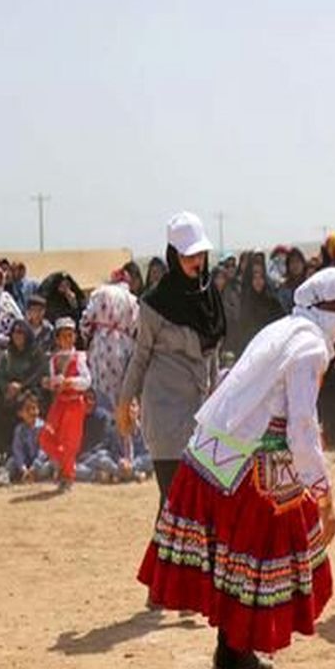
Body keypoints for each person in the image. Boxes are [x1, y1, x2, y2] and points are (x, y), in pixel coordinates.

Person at [138, 267, 335, 669]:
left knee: (240, 565)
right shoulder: (310, 346)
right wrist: (324, 492)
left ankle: (239, 655)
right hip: (247, 466)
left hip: (220, 455)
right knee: (252, 567)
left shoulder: (284, 328)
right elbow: (300, 427)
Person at [118, 212, 226, 511]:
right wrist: (124, 403)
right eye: (188, 255)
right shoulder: (155, 303)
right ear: (173, 255)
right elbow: (139, 358)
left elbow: (213, 353)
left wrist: (216, 404)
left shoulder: (210, 298)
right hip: (165, 415)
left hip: (201, 417)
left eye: (200, 254)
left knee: (200, 508)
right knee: (175, 506)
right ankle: (162, 561)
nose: (197, 261)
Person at [40, 318, 91, 491]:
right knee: (45, 437)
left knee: (70, 443)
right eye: (63, 336)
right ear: (57, 339)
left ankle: (67, 476)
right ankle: (66, 465)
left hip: (75, 403)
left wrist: (70, 382)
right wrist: (50, 383)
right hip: (60, 403)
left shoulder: (80, 357)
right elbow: (53, 381)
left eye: (70, 335)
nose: (67, 340)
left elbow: (87, 381)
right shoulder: (54, 360)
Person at [80, 270, 140, 407]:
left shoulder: (99, 293)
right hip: (125, 345)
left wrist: (89, 336)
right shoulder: (132, 299)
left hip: (101, 344)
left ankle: (104, 422)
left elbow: (85, 321)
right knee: (123, 388)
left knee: (100, 388)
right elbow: (137, 327)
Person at [0, 391, 54, 488]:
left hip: (41, 464)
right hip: (26, 463)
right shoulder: (19, 429)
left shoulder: (43, 427)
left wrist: (34, 467)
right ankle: (4, 478)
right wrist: (23, 468)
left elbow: (44, 451)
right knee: (11, 461)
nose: (32, 412)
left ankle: (30, 475)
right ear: (20, 413)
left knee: (49, 466)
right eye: (28, 409)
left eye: (34, 408)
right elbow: (17, 450)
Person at [232, 258, 284, 356]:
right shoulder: (245, 302)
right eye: (254, 278)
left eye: (261, 277)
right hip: (251, 351)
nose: (258, 281)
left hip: (271, 349)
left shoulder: (272, 301)